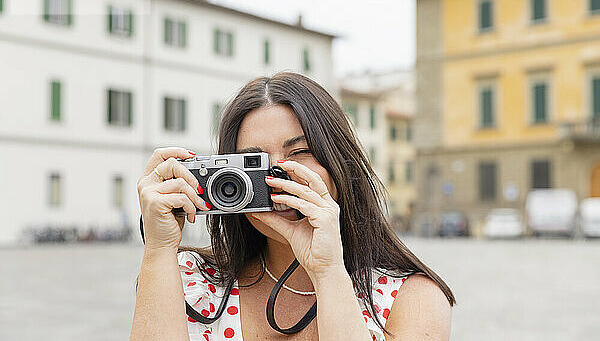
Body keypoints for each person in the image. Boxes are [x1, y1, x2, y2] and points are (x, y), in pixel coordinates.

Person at [130, 72, 454, 341]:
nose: (278, 176)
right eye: (253, 164)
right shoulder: (192, 281)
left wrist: (327, 270)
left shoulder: (412, 298)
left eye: (299, 153)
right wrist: (159, 249)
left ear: (338, 163)